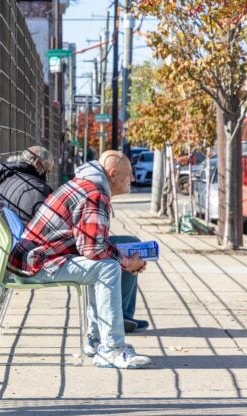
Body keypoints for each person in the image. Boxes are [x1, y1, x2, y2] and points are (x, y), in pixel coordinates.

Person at [8, 150, 152, 368]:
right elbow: (93, 248)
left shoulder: (86, 184)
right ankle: (111, 349)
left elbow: (89, 244)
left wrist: (122, 257)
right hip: (38, 263)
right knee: (107, 268)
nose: (132, 179)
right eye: (129, 174)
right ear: (113, 174)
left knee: (106, 263)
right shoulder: (95, 194)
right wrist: (126, 262)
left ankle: (96, 341)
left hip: (34, 257)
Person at [0, 146, 54, 225]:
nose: (46, 176)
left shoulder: (7, 178)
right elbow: (51, 222)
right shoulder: (38, 190)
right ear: (36, 163)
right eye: (46, 171)